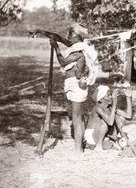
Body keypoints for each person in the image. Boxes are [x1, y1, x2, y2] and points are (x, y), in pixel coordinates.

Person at [30, 24, 98, 153]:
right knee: (77, 116)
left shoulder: (79, 51)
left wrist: (55, 47)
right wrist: (40, 30)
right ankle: (80, 145)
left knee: (77, 118)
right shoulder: (75, 45)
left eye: (70, 36)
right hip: (72, 83)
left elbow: (63, 61)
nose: (68, 38)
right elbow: (58, 37)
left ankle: (78, 151)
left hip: (78, 85)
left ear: (78, 37)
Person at [85, 85, 133, 150]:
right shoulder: (98, 107)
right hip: (91, 136)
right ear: (101, 99)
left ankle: (109, 141)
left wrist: (128, 97)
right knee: (106, 122)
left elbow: (128, 116)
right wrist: (114, 102)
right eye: (108, 96)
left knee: (121, 119)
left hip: (99, 134)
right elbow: (110, 122)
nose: (111, 97)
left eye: (111, 95)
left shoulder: (110, 107)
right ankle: (99, 145)